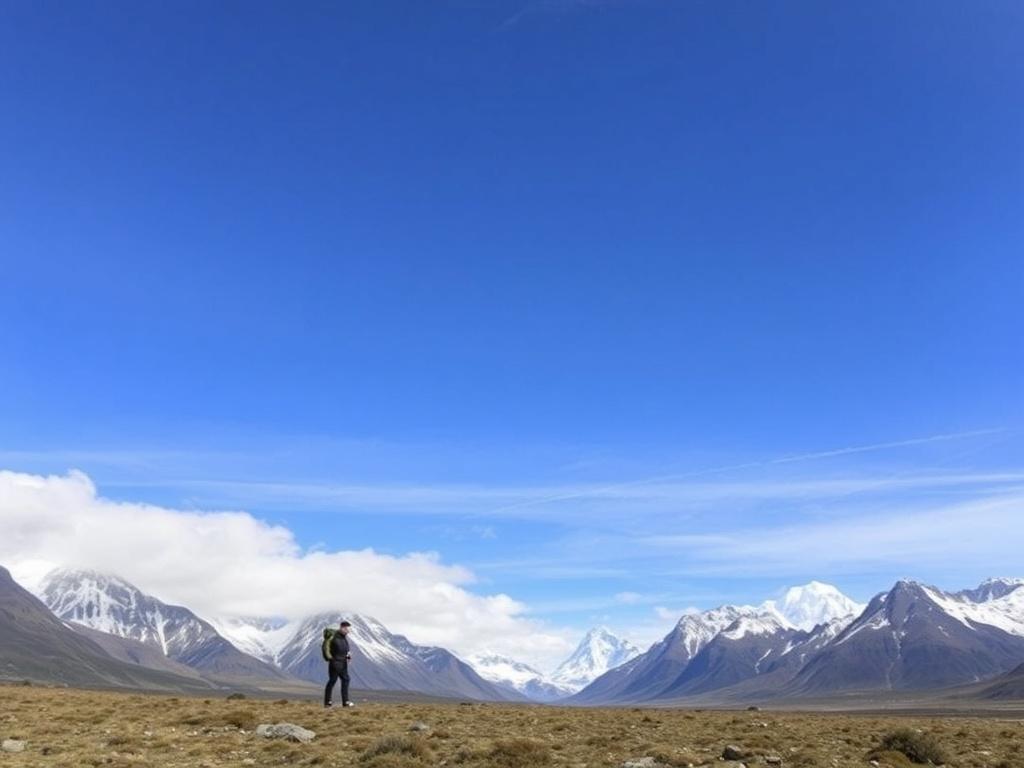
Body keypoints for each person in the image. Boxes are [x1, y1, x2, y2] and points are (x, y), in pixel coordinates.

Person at [324, 620, 354, 708]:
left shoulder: (344, 638)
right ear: (342, 628)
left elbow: (345, 650)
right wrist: (331, 659)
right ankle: (328, 702)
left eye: (348, 629)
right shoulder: (333, 637)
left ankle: (345, 702)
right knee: (333, 681)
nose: (348, 631)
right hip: (335, 663)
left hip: (343, 663)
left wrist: (348, 656)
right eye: (346, 629)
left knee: (345, 680)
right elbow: (327, 648)